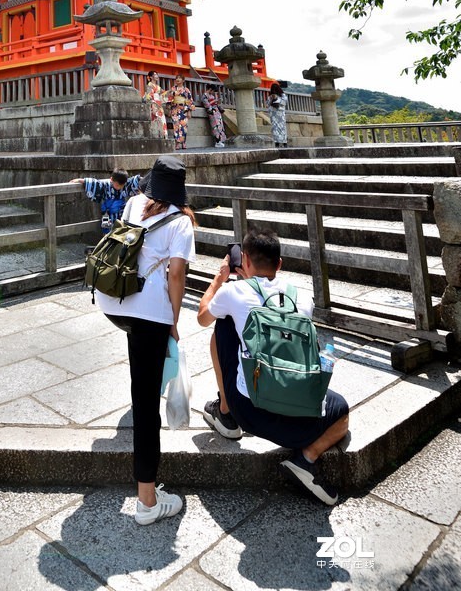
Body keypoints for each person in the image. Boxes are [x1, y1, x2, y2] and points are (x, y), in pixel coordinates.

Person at [196, 226, 350, 506]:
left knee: (224, 322)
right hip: (302, 420)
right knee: (341, 412)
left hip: (249, 411)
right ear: (279, 264)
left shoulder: (234, 291)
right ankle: (306, 459)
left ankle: (225, 412)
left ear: (243, 260)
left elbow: (202, 317)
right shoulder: (303, 298)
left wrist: (220, 279)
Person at [95, 155, 196, 525]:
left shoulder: (135, 202)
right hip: (149, 313)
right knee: (146, 404)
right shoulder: (181, 223)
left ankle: (147, 490)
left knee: (144, 382)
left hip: (114, 302)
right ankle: (147, 500)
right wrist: (173, 319)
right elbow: (176, 276)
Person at [74, 168, 141, 234]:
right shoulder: (105, 185)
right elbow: (95, 183)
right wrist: (82, 181)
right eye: (117, 185)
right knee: (108, 234)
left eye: (121, 185)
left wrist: (143, 179)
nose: (119, 187)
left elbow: (135, 181)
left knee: (122, 233)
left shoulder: (126, 185)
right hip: (108, 216)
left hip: (121, 214)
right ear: (111, 179)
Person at [164, 74, 195, 151]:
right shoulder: (173, 89)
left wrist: (189, 111)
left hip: (184, 109)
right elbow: (169, 98)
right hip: (175, 109)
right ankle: (177, 143)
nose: (178, 79)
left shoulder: (186, 90)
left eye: (180, 78)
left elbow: (189, 100)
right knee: (176, 126)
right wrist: (168, 109)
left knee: (184, 127)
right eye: (177, 78)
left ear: (183, 80)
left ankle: (183, 142)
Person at [142, 71, 168, 140]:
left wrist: (171, 91)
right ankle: (157, 136)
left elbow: (164, 93)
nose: (157, 76)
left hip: (159, 105)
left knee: (162, 120)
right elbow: (149, 96)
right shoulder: (149, 85)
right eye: (155, 75)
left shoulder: (158, 87)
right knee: (155, 120)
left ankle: (164, 136)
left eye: (157, 74)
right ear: (150, 77)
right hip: (153, 104)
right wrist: (153, 106)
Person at [201, 84, 226, 149]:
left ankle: (221, 140)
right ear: (210, 89)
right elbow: (207, 104)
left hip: (216, 111)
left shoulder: (212, 95)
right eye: (213, 91)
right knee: (215, 126)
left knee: (220, 126)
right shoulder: (204, 96)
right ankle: (217, 141)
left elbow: (215, 103)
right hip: (212, 112)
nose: (213, 92)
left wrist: (218, 102)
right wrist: (214, 101)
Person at [268, 82, 288, 147]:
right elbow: (268, 103)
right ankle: (280, 142)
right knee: (279, 128)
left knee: (278, 127)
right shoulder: (272, 96)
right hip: (276, 113)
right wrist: (272, 100)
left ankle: (281, 142)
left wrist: (276, 100)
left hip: (278, 113)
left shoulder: (282, 95)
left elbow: (284, 102)